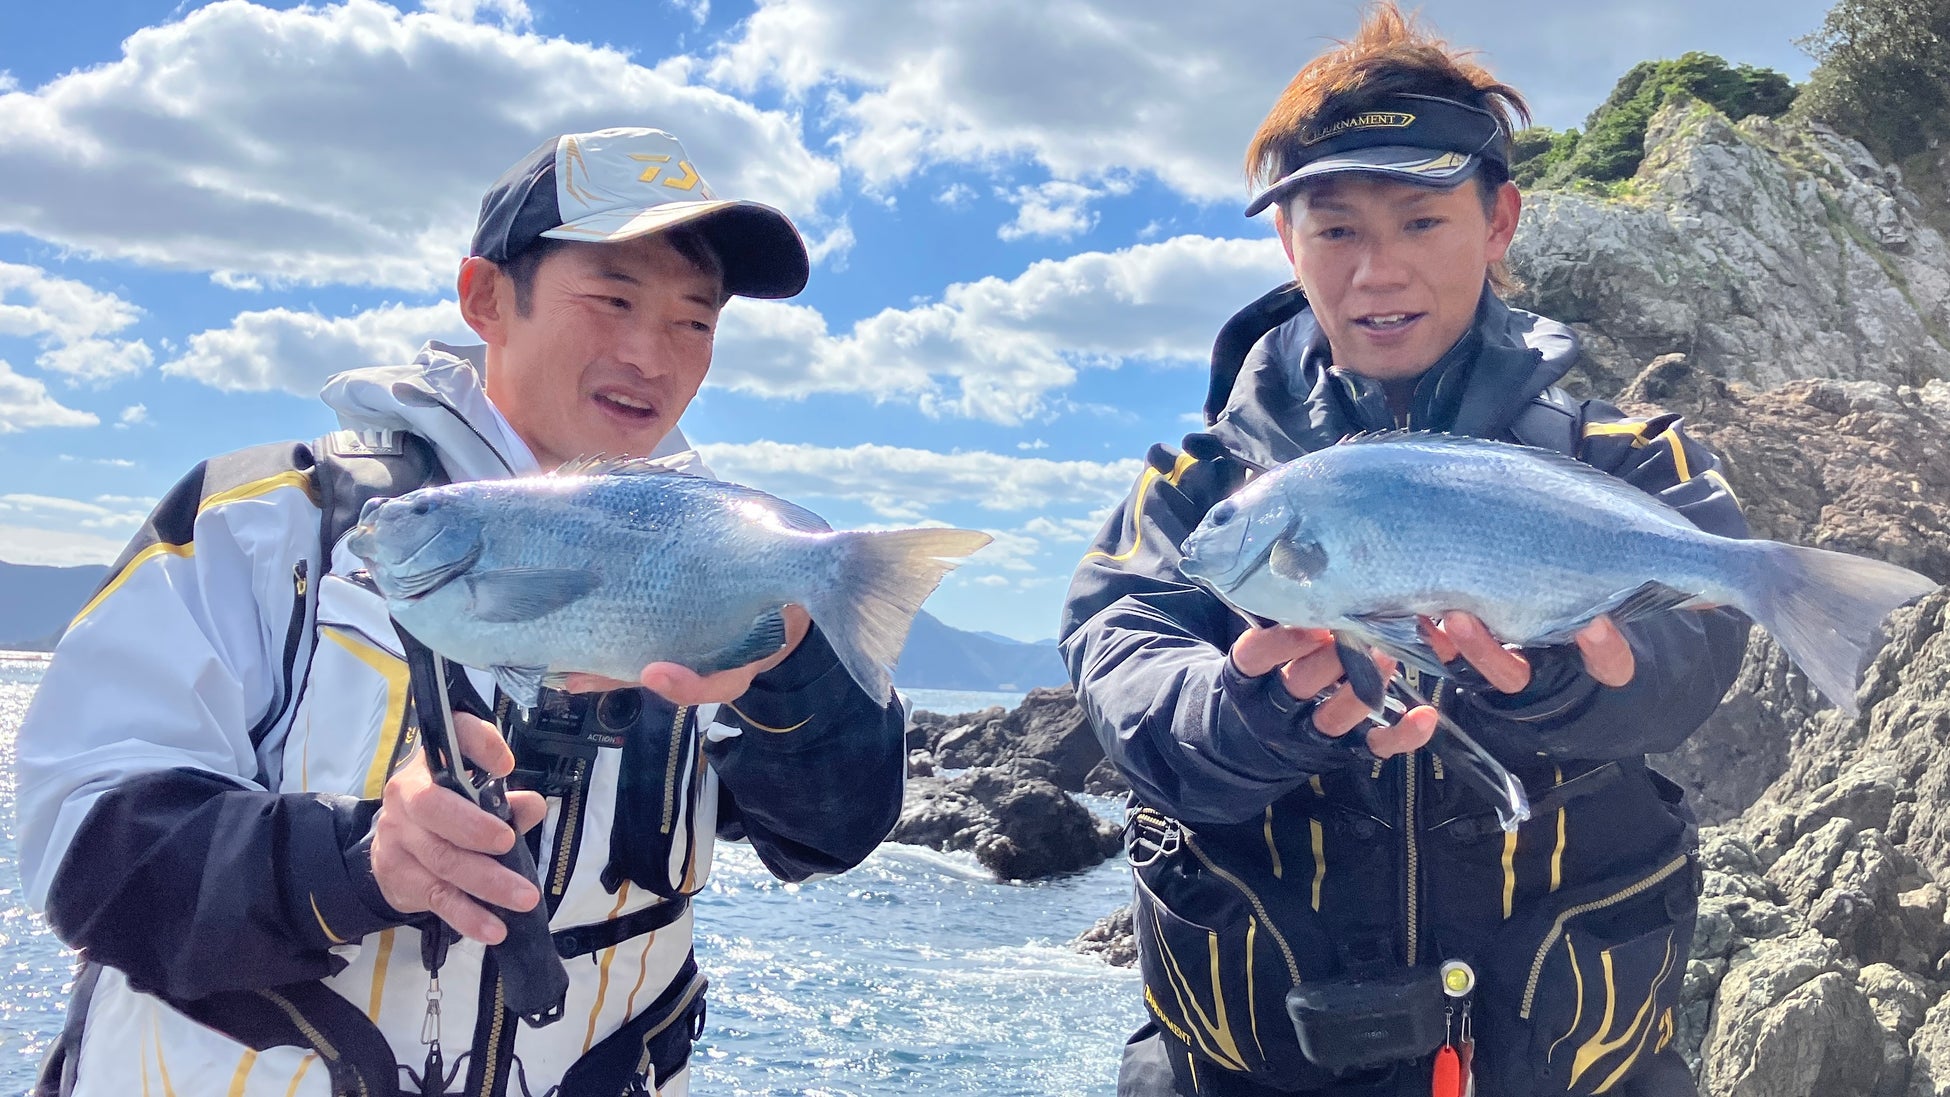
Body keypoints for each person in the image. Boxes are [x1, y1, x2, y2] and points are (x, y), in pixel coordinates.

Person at [16, 127, 907, 1097]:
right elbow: (83, 844)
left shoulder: (722, 558)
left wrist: (795, 660)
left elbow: (830, 830)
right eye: (613, 297)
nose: (652, 354)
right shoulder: (270, 523)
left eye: (695, 322)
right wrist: (361, 860)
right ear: (486, 297)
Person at [1059, 9, 1750, 1096]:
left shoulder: (1626, 458)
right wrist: (1245, 711)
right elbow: (1123, 659)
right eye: (1335, 231)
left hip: (1570, 1064)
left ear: (1501, 220)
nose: (1377, 273)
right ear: (1289, 240)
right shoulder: (1199, 483)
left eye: (1423, 221)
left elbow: (1707, 635)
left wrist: (1577, 674)